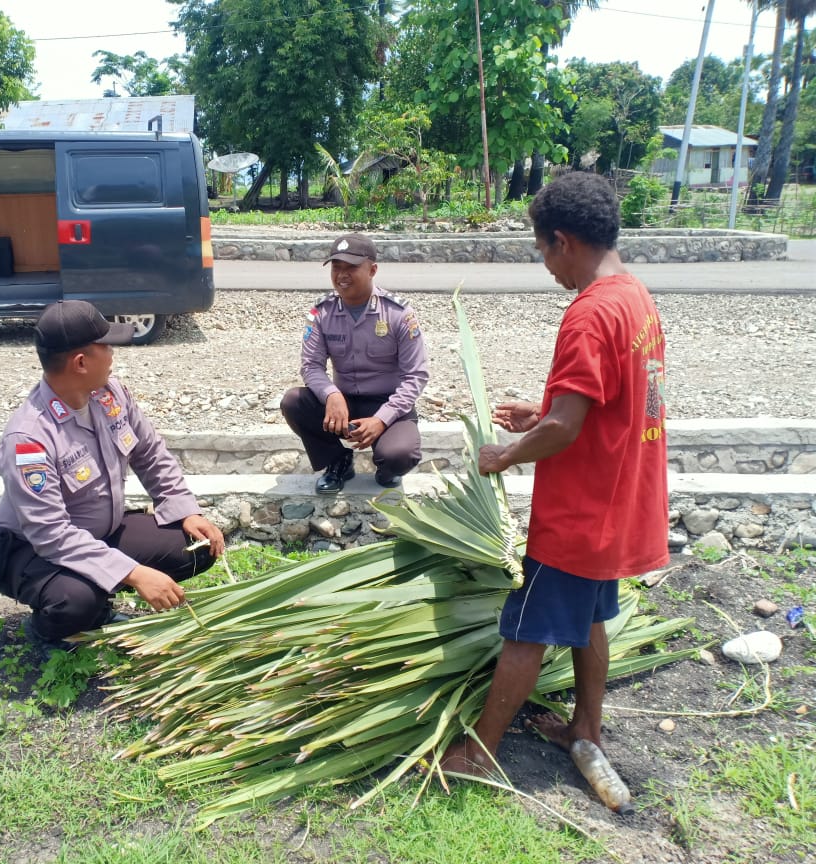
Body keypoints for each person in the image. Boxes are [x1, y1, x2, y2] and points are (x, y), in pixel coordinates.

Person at [440, 171, 669, 778]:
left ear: (563, 240)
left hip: (579, 515)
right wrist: (541, 413)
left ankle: (481, 754)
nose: (546, 266)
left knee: (526, 631)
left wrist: (506, 453)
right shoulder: (637, 299)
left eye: (543, 250)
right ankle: (585, 728)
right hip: (618, 501)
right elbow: (609, 407)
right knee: (591, 619)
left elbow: (568, 429)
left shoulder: (590, 314)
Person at [0, 300, 226, 656]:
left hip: (97, 534)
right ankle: (50, 630)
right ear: (80, 362)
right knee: (77, 599)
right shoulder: (29, 439)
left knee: (193, 547)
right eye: (106, 347)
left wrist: (186, 511)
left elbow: (150, 454)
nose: (112, 355)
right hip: (33, 552)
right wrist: (135, 574)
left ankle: (98, 597)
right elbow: (50, 535)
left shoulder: (110, 394)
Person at [280, 233, 429, 494]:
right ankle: (338, 461)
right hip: (343, 402)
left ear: (372, 270)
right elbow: (311, 366)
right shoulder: (321, 312)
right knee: (293, 401)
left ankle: (387, 468)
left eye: (351, 268)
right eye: (337, 267)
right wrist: (331, 395)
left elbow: (415, 376)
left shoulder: (398, 314)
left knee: (399, 455)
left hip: (388, 403)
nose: (342, 275)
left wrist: (381, 420)